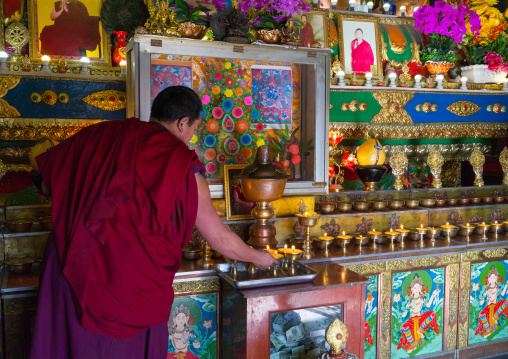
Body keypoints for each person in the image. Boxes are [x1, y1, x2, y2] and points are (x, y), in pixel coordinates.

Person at [30, 86, 278, 359]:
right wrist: (260, 258)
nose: (191, 136)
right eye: (193, 129)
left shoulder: (102, 135)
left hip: (70, 272)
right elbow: (220, 240)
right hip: (121, 289)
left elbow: (46, 186)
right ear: (183, 123)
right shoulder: (181, 165)